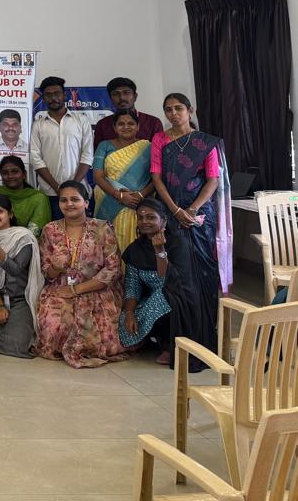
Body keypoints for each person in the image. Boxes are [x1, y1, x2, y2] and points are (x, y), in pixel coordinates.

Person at [150, 91, 229, 308]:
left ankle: (207, 313)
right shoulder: (159, 139)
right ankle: (182, 313)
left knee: (204, 260)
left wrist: (192, 210)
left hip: (200, 211)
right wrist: (175, 210)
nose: (173, 113)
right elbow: (156, 178)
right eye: (168, 110)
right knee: (177, 262)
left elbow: (213, 180)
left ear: (190, 111)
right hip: (169, 208)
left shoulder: (204, 142)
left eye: (179, 108)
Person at [35, 181, 125, 368]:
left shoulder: (102, 228)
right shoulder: (50, 230)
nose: (69, 204)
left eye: (75, 199)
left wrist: (76, 290)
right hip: (60, 288)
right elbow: (46, 272)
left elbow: (113, 269)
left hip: (97, 290)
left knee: (103, 342)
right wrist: (56, 268)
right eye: (64, 200)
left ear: (86, 203)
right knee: (52, 332)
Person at [120, 198, 215, 368]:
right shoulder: (135, 249)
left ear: (163, 220)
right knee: (125, 317)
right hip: (152, 298)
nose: (144, 221)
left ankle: (170, 345)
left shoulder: (179, 243)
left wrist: (159, 250)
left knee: (162, 297)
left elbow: (170, 279)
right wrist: (129, 313)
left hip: (180, 298)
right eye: (140, 217)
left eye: (151, 217)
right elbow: (132, 285)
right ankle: (152, 340)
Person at [0, 193, 43, 359]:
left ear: (10, 214)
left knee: (17, 343)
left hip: (20, 298)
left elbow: (15, 270)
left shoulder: (23, 237)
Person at [92, 111, 152, 257]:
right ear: (114, 127)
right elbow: (98, 177)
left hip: (137, 202)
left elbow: (156, 178)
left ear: (138, 126)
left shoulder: (147, 147)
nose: (126, 127)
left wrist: (140, 195)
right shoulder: (104, 146)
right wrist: (119, 195)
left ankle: (130, 270)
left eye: (131, 123)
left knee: (132, 241)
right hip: (108, 199)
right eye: (121, 124)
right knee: (108, 244)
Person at [30, 77, 94, 209]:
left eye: (57, 93)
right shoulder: (38, 125)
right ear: (44, 98)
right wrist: (56, 187)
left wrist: (72, 187)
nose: (53, 98)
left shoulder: (81, 120)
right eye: (48, 95)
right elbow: (35, 158)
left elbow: (87, 155)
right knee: (53, 223)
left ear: (64, 95)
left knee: (79, 223)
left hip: (79, 190)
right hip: (49, 192)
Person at [0, 155, 52, 236]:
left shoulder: (38, 198)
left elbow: (34, 231)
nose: (10, 176)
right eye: (5, 173)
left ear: (24, 174)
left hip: (26, 241)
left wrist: (14, 240)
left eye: (15, 172)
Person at [94, 77, 164, 144]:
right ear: (111, 99)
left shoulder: (153, 123)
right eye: (116, 94)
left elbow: (158, 150)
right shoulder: (102, 125)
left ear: (135, 97)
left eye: (126, 93)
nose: (122, 98)